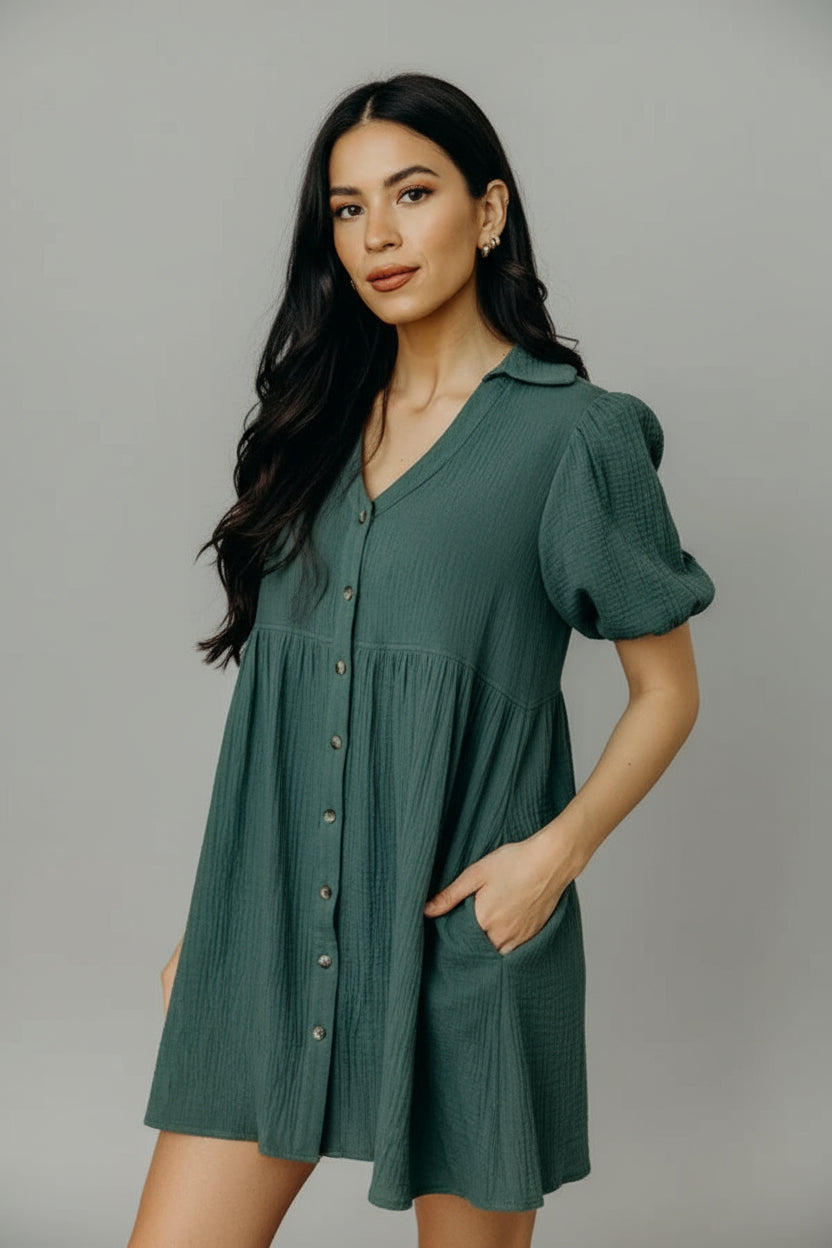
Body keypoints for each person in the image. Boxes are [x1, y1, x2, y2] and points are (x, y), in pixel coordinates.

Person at [127, 71, 716, 1248]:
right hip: (276, 930)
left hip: (467, 932)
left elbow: (668, 692)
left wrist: (550, 860)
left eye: (411, 193)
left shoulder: (574, 436)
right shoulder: (311, 426)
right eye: (347, 209)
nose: (378, 235)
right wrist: (222, 916)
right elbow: (289, 707)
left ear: (487, 211)